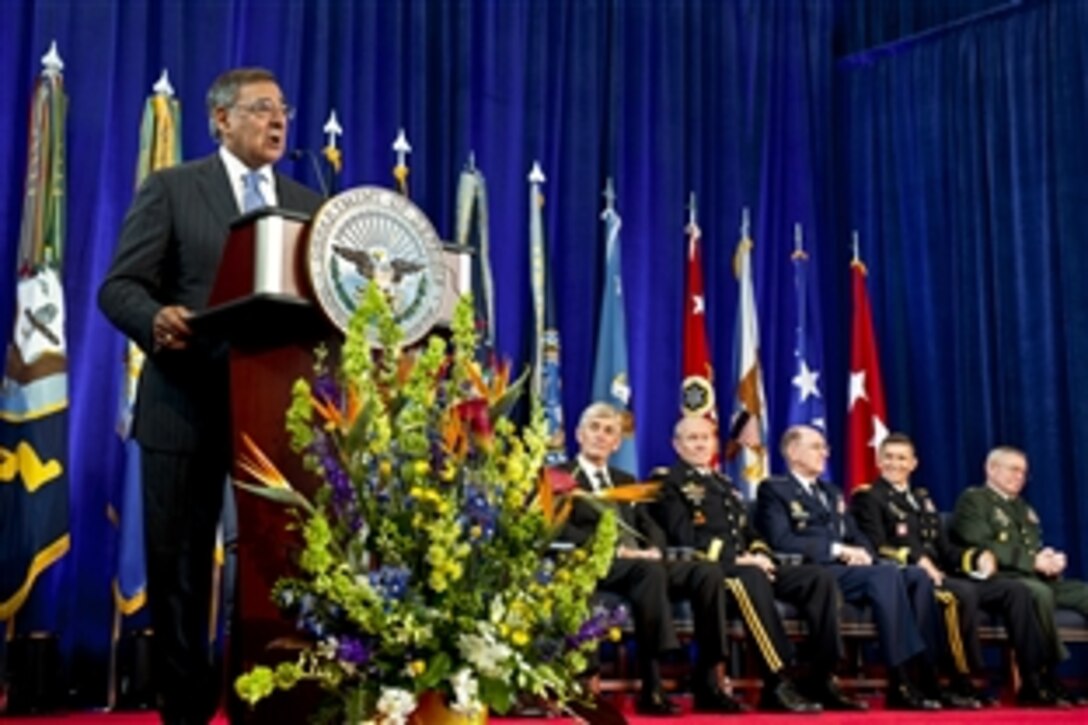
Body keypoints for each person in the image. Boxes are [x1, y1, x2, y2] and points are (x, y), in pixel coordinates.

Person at [98, 67, 323, 725]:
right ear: (220, 120)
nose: (277, 120)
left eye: (282, 108)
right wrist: (157, 318)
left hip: (276, 420)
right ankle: (187, 710)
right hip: (184, 404)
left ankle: (273, 701)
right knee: (181, 575)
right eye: (260, 108)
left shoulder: (309, 207)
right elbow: (119, 288)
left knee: (279, 567)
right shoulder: (172, 190)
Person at [651, 415, 864, 712]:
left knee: (817, 577)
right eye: (692, 438)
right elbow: (683, 536)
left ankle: (822, 674)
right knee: (751, 577)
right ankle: (776, 681)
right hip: (712, 569)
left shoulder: (722, 483)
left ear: (714, 442)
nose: (700, 444)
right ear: (677, 445)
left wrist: (761, 553)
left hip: (749, 563)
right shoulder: (668, 482)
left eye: (705, 437)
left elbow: (749, 532)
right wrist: (737, 557)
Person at [556, 403, 742, 716]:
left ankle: (708, 676)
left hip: (640, 563)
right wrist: (613, 551)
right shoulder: (560, 477)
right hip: (592, 564)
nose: (601, 436)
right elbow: (560, 529)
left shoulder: (625, 479)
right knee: (648, 571)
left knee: (706, 572)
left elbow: (649, 524)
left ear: (617, 442)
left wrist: (655, 547)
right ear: (579, 434)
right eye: (594, 428)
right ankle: (653, 682)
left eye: (609, 431)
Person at [851, 433, 1062, 706]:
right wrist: (918, 561)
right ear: (878, 461)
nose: (895, 464)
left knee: (1016, 591)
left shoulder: (922, 498)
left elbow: (946, 548)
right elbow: (877, 545)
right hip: (908, 579)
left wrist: (976, 559)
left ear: (913, 463)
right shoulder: (870, 497)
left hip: (945, 574)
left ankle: (1033, 680)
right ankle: (962, 680)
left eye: (902, 458)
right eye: (888, 457)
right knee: (961, 595)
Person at [756, 424, 939, 710]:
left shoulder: (831, 492)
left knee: (915, 575)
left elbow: (856, 535)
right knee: (887, 574)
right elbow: (782, 540)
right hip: (812, 571)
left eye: (825, 447)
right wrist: (839, 550)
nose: (825, 453)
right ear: (793, 452)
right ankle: (900, 680)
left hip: (851, 571)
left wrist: (864, 554)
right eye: (816, 447)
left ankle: (927, 674)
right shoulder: (775, 489)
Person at [952, 445, 1088, 705]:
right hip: (1000, 580)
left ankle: (1050, 676)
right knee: (1038, 593)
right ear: (992, 469)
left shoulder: (1021, 507)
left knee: (1083, 592)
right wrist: (1033, 561)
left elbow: (1030, 548)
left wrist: (1048, 560)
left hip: (1032, 575)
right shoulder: (974, 500)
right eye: (1013, 470)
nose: (1019, 477)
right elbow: (981, 542)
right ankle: (1045, 675)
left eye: (1023, 472)